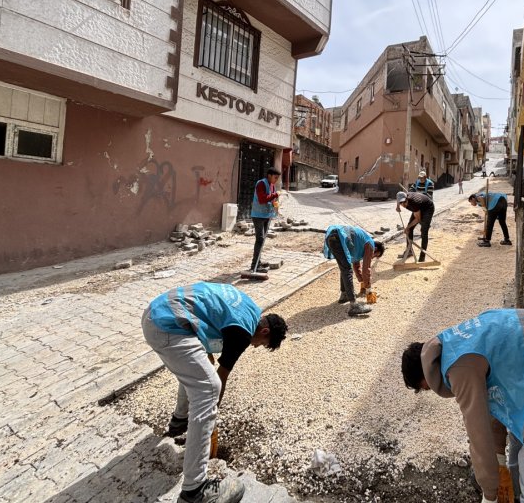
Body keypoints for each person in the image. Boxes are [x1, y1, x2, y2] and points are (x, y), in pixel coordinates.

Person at [401, 309, 524, 503]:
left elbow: (477, 431)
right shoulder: (458, 341)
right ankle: (515, 494)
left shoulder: (459, 367)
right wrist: (498, 455)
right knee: (520, 436)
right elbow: (494, 398)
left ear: (425, 379)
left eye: (425, 388)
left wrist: (489, 494)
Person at [142, 282, 288, 503]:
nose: (257, 346)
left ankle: (179, 422)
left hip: (158, 311)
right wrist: (211, 414)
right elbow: (221, 376)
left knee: (196, 373)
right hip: (168, 326)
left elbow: (209, 317)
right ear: (264, 332)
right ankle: (195, 490)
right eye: (262, 343)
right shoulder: (242, 332)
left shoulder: (249, 308)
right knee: (209, 388)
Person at [323, 225, 385, 316]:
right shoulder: (370, 245)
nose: (372, 257)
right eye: (375, 255)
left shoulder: (360, 245)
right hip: (339, 238)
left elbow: (356, 266)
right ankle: (354, 306)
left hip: (332, 237)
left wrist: (363, 282)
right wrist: (369, 290)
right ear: (375, 249)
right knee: (347, 270)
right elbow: (366, 269)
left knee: (344, 267)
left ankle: (344, 295)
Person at [250, 167, 280, 273]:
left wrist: (275, 203)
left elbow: (271, 199)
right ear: (269, 175)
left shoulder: (272, 186)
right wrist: (274, 195)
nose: (276, 180)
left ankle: (258, 261)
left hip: (267, 215)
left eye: (277, 178)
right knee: (260, 239)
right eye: (275, 178)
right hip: (258, 215)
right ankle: (254, 265)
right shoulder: (261, 184)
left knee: (262, 240)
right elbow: (262, 199)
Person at [396, 191, 435, 262]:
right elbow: (398, 200)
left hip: (427, 208)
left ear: (407, 198)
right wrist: (398, 207)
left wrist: (407, 227)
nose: (403, 204)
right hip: (418, 208)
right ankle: (409, 251)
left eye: (404, 202)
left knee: (424, 231)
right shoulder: (401, 198)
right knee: (410, 229)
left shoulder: (414, 203)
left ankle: (422, 257)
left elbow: (417, 219)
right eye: (401, 203)